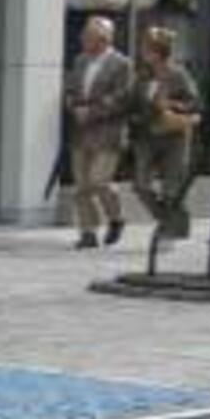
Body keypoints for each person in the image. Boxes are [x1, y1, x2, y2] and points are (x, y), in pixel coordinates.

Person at [64, 14, 135, 248]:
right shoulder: (80, 61)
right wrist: (73, 105)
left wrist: (92, 111)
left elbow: (122, 98)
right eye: (84, 35)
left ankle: (116, 217)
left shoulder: (122, 64)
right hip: (81, 132)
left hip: (108, 133)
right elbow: (71, 89)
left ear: (103, 39)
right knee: (82, 186)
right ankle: (88, 233)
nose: (82, 39)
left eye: (88, 36)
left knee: (99, 181)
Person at [131, 24, 204, 241]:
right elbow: (134, 103)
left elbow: (195, 103)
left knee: (172, 188)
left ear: (158, 51)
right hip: (147, 135)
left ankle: (175, 224)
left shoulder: (178, 74)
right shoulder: (143, 75)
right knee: (141, 185)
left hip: (174, 135)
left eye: (146, 48)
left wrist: (171, 104)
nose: (143, 52)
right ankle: (168, 220)